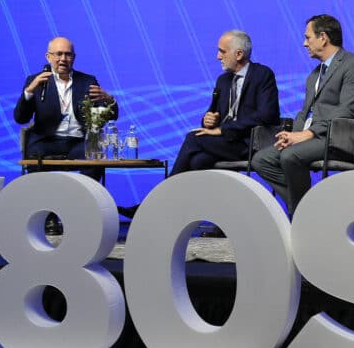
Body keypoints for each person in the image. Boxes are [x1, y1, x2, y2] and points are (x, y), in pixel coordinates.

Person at [117, 30, 280, 231]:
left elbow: (267, 115)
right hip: (226, 142)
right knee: (197, 161)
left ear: (238, 54)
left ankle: (153, 203)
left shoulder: (262, 75)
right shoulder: (223, 80)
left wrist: (222, 130)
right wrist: (208, 120)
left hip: (250, 143)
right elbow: (213, 114)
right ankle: (196, 219)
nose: (217, 57)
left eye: (222, 51)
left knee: (193, 139)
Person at [251, 14, 354, 217]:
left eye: (308, 38)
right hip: (314, 137)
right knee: (261, 159)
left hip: (340, 139)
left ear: (323, 37)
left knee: (291, 156)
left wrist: (307, 135)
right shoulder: (315, 74)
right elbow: (305, 112)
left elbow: (348, 110)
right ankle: (307, 209)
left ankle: (300, 214)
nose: (304, 43)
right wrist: (291, 135)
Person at [14, 36, 117, 234]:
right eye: (58, 54)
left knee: (94, 158)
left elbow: (109, 116)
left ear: (74, 57)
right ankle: (48, 216)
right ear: (48, 56)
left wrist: (109, 100)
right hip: (46, 141)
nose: (63, 58)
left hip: (77, 142)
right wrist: (28, 92)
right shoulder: (36, 81)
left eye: (67, 54)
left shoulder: (87, 81)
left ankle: (81, 215)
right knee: (35, 159)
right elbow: (20, 118)